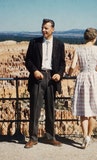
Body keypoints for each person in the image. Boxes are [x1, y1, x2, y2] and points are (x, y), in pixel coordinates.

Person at [24, 19, 66, 148]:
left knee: (50, 109)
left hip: (52, 79)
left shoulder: (59, 44)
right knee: (35, 109)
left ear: (53, 29)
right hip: (38, 77)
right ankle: (33, 138)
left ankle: (50, 137)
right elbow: (28, 60)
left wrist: (59, 73)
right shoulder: (34, 42)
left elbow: (62, 63)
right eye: (42, 27)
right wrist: (35, 70)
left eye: (46, 28)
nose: (43, 30)